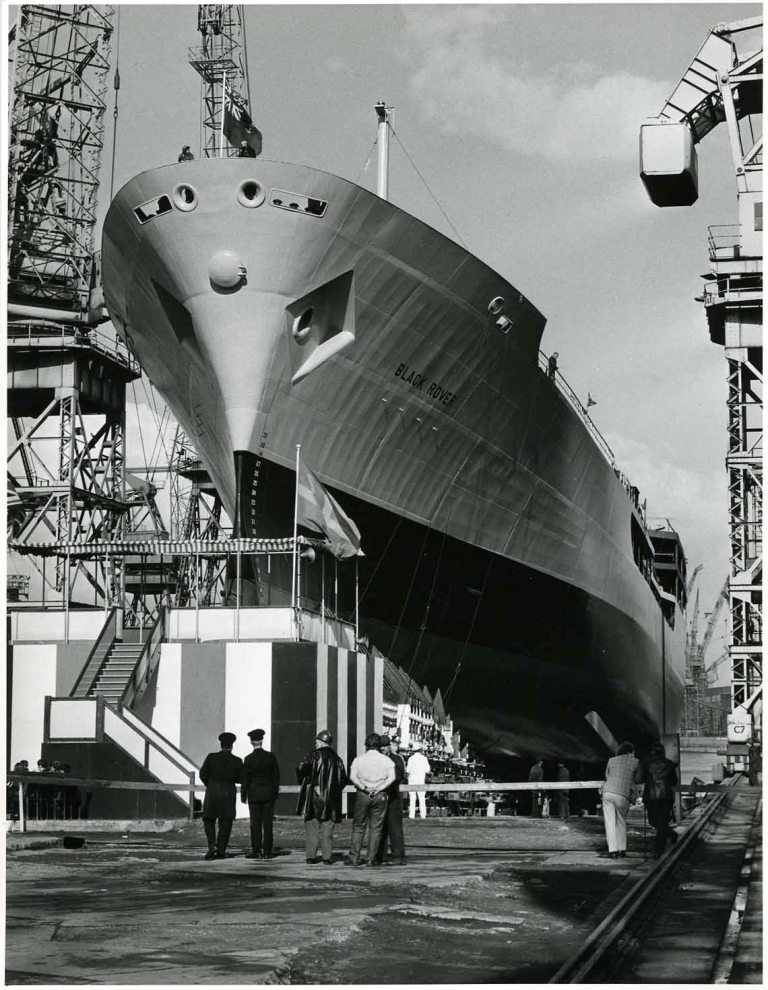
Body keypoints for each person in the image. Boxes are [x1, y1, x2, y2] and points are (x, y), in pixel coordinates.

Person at [296, 729, 347, 865]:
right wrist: (332, 791)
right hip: (331, 799)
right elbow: (343, 780)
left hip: (314, 796)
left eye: (317, 741)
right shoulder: (338, 759)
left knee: (312, 827)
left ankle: (311, 856)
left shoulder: (314, 755)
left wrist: (303, 779)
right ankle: (327, 857)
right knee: (327, 829)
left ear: (320, 741)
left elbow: (301, 768)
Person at [347, 733, 396, 866]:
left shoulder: (358, 759)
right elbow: (392, 778)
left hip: (363, 793)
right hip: (380, 794)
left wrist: (364, 787)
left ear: (366, 745)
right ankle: (370, 858)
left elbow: (352, 777)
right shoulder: (387, 761)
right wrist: (380, 788)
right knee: (376, 828)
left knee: (358, 826)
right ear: (379, 746)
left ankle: (354, 857)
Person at [200, 731, 243, 860]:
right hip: (228, 793)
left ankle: (212, 845)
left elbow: (203, 774)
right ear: (232, 746)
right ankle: (221, 850)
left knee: (209, 820)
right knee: (225, 822)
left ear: (221, 744)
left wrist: (211, 785)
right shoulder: (237, 760)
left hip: (212, 792)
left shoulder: (211, 757)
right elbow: (241, 778)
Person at [241, 728, 280, 860]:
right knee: (268, 824)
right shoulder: (271, 757)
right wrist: (274, 794)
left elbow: (245, 779)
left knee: (255, 824)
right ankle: (268, 851)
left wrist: (243, 796)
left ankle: (256, 850)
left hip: (254, 795)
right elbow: (276, 777)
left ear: (252, 742)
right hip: (268, 795)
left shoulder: (248, 759)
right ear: (262, 740)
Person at [601, 741, 643, 859]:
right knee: (621, 821)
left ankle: (612, 851)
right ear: (630, 752)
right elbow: (638, 779)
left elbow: (607, 777)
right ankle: (622, 849)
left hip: (608, 792)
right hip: (622, 794)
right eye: (633, 752)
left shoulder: (611, 760)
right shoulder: (636, 762)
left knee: (609, 822)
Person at [641, 742, 678, 858]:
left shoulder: (647, 764)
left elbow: (640, 779)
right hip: (666, 797)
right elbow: (674, 782)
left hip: (651, 797)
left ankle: (659, 849)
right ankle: (671, 835)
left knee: (654, 822)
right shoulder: (669, 764)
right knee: (662, 822)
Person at [374, 735, 407, 865]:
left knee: (395, 827)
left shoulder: (397, 759)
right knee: (380, 827)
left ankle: (397, 855)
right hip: (379, 796)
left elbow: (399, 776)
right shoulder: (377, 759)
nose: (382, 749)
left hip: (393, 796)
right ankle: (380, 855)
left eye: (384, 747)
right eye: (380, 747)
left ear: (389, 746)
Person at [406, 742, 431, 819]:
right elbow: (428, 771)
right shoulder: (424, 759)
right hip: (421, 781)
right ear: (420, 750)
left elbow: (407, 771)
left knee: (412, 799)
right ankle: (423, 815)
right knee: (422, 799)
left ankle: (411, 815)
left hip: (412, 781)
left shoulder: (410, 759)